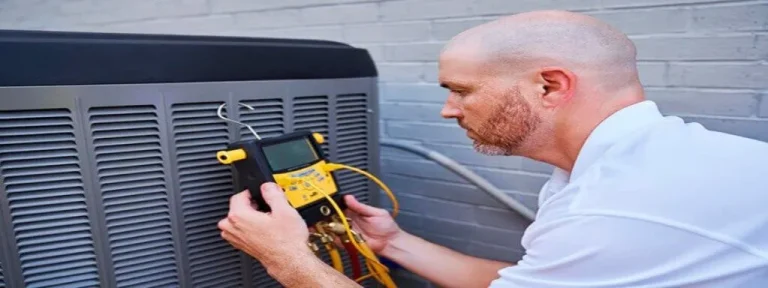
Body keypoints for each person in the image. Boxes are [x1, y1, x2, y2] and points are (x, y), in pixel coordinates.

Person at [217, 10, 768, 288]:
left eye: (461, 90)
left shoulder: (616, 210)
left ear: (549, 86)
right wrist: (395, 242)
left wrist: (286, 258)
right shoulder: (638, 165)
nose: (448, 110)